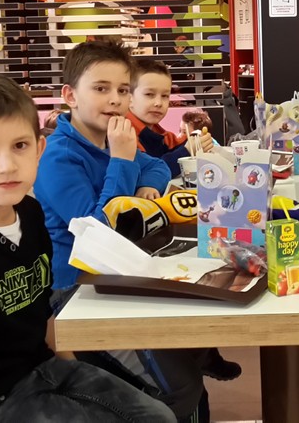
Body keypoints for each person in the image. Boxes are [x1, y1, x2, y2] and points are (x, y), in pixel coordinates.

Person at [0, 74, 174, 423]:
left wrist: (75, 377)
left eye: (20, 146)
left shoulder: (30, 213)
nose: (7, 165)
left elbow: (42, 314)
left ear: (39, 149)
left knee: (159, 417)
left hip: (42, 369)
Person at [33, 40, 213, 422]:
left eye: (122, 89)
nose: (115, 99)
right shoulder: (58, 156)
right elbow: (98, 233)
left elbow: (157, 167)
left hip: (122, 274)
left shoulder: (114, 138)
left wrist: (141, 181)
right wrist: (120, 160)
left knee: (193, 348)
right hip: (77, 290)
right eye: (101, 88)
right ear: (70, 96)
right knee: (181, 388)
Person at [126, 59, 213, 177]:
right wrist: (186, 151)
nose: (158, 103)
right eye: (149, 94)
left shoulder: (157, 133)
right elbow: (147, 173)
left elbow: (175, 145)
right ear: (129, 98)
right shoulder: (125, 134)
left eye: (165, 96)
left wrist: (197, 141)